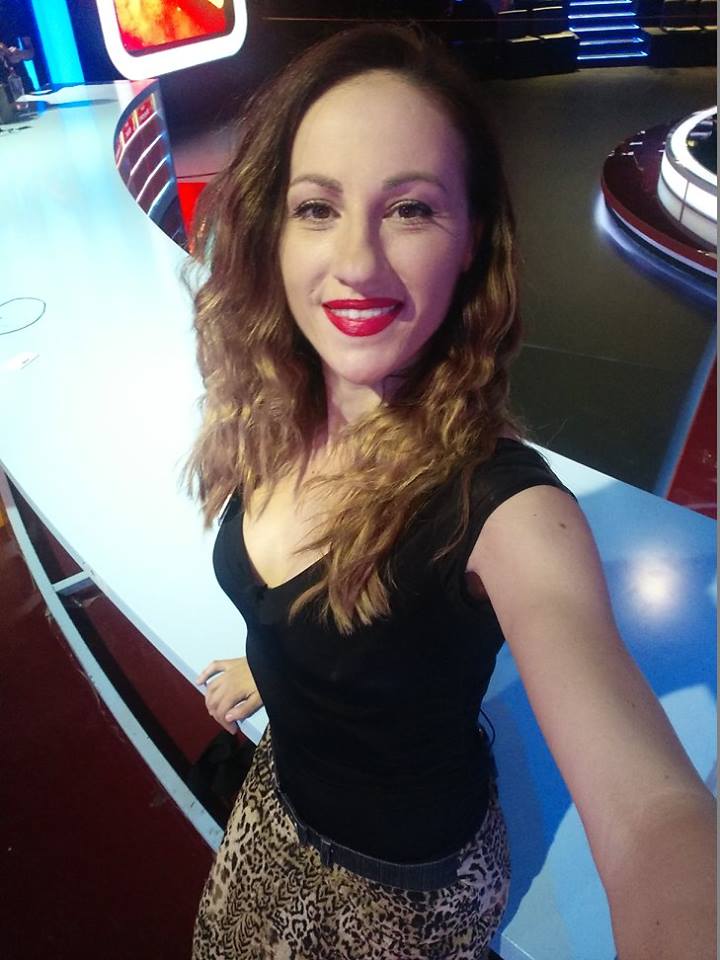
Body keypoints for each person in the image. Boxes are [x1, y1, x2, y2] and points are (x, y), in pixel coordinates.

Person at [182, 22, 716, 960]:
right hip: (276, 800)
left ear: (472, 241)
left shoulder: (507, 511)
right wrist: (285, 657)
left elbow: (651, 816)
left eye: (410, 209)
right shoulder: (276, 404)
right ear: (274, 228)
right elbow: (329, 613)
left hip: (400, 892)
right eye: (318, 207)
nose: (357, 262)